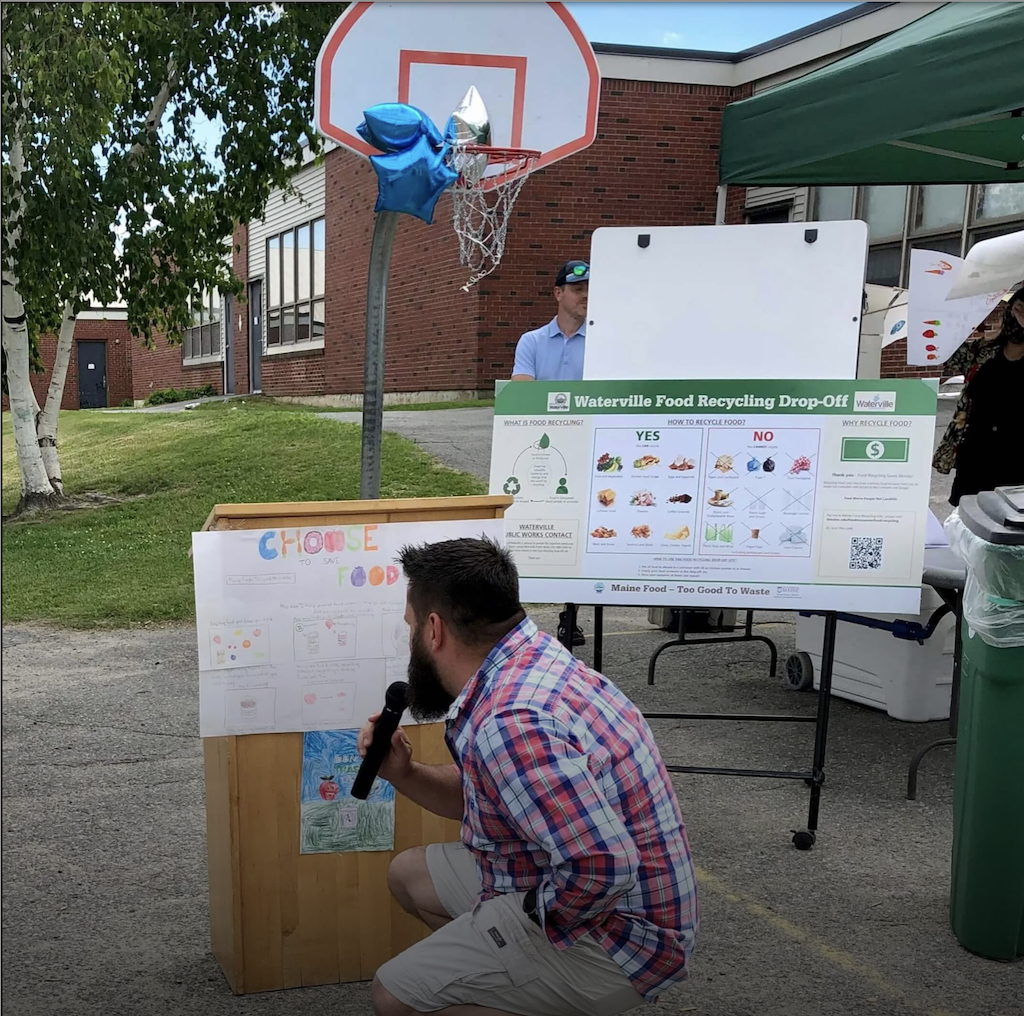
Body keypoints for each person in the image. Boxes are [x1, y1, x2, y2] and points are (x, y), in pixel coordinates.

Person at [361, 537, 698, 1016]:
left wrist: (529, 919)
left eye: (411, 626)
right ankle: (517, 984)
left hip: (624, 939)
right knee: (409, 875)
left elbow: (604, 865)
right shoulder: (530, 658)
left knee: (394, 997)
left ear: (434, 629)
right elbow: (503, 796)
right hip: (592, 890)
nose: (411, 637)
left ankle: (548, 985)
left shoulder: (510, 720)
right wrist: (405, 773)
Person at [934, 286, 1024, 505]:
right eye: (1018, 308)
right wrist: (961, 315)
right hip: (976, 454)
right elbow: (941, 348)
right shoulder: (983, 351)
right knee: (969, 519)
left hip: (1018, 458)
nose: (1019, 316)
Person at [511, 259, 589, 382]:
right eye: (578, 289)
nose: (585, 295)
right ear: (558, 293)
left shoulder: (601, 342)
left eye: (589, 289)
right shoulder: (531, 342)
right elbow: (523, 393)